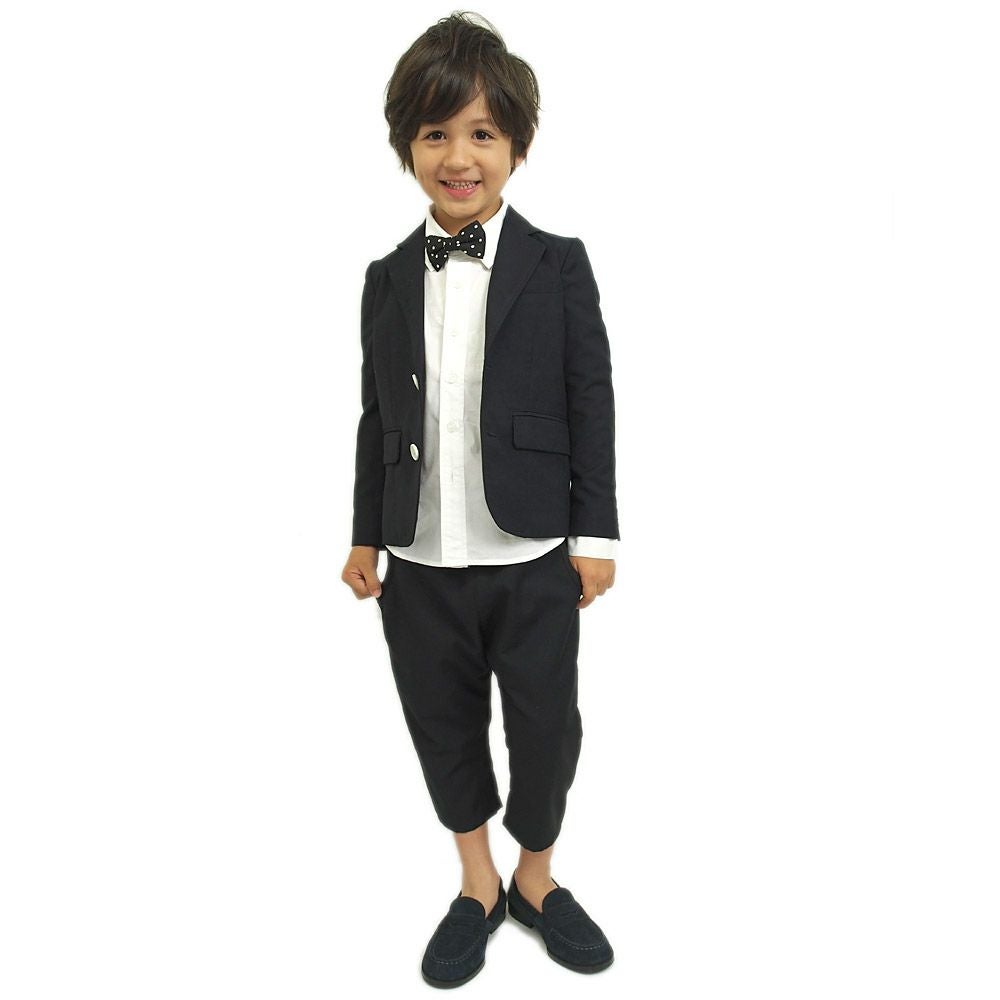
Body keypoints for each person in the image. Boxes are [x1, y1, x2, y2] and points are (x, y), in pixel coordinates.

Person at [341, 11, 620, 988]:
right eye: (435, 133)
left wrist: (594, 533)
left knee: (547, 728)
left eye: (482, 133)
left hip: (531, 552)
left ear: (517, 147)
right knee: (441, 723)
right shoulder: (384, 278)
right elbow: (376, 416)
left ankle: (537, 878)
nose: (458, 157)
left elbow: (590, 398)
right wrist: (365, 535)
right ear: (407, 146)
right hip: (417, 558)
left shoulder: (558, 263)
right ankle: (478, 882)